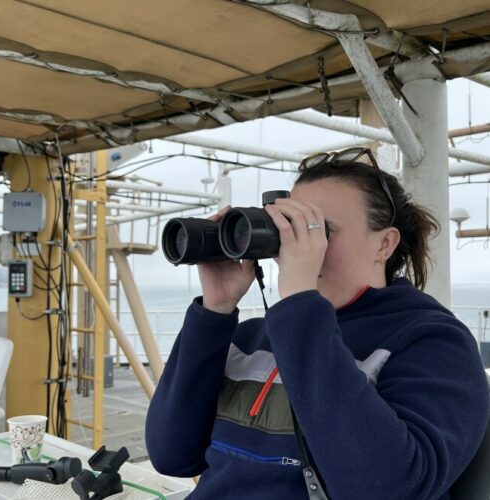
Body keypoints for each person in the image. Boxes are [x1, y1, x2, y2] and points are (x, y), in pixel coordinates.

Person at [145, 148, 489, 499]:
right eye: (291, 228)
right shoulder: (252, 337)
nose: (299, 244)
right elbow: (171, 454)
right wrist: (215, 311)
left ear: (385, 243)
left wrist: (298, 307)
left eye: (319, 230)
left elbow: (388, 487)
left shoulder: (433, 344)